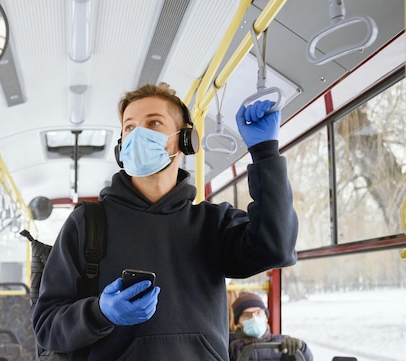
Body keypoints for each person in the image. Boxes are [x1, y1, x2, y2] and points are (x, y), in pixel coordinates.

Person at [32, 82, 298, 360]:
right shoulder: (87, 223)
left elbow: (275, 246)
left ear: (186, 140)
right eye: (130, 127)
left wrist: (265, 153)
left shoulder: (212, 222)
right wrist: (100, 313)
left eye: (154, 123)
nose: (138, 135)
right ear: (121, 147)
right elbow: (47, 328)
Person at [229, 292, 313, 361]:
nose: (254, 318)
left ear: (266, 317)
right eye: (247, 315)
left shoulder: (282, 343)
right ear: (238, 323)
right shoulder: (229, 346)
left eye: (258, 313)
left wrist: (301, 348)